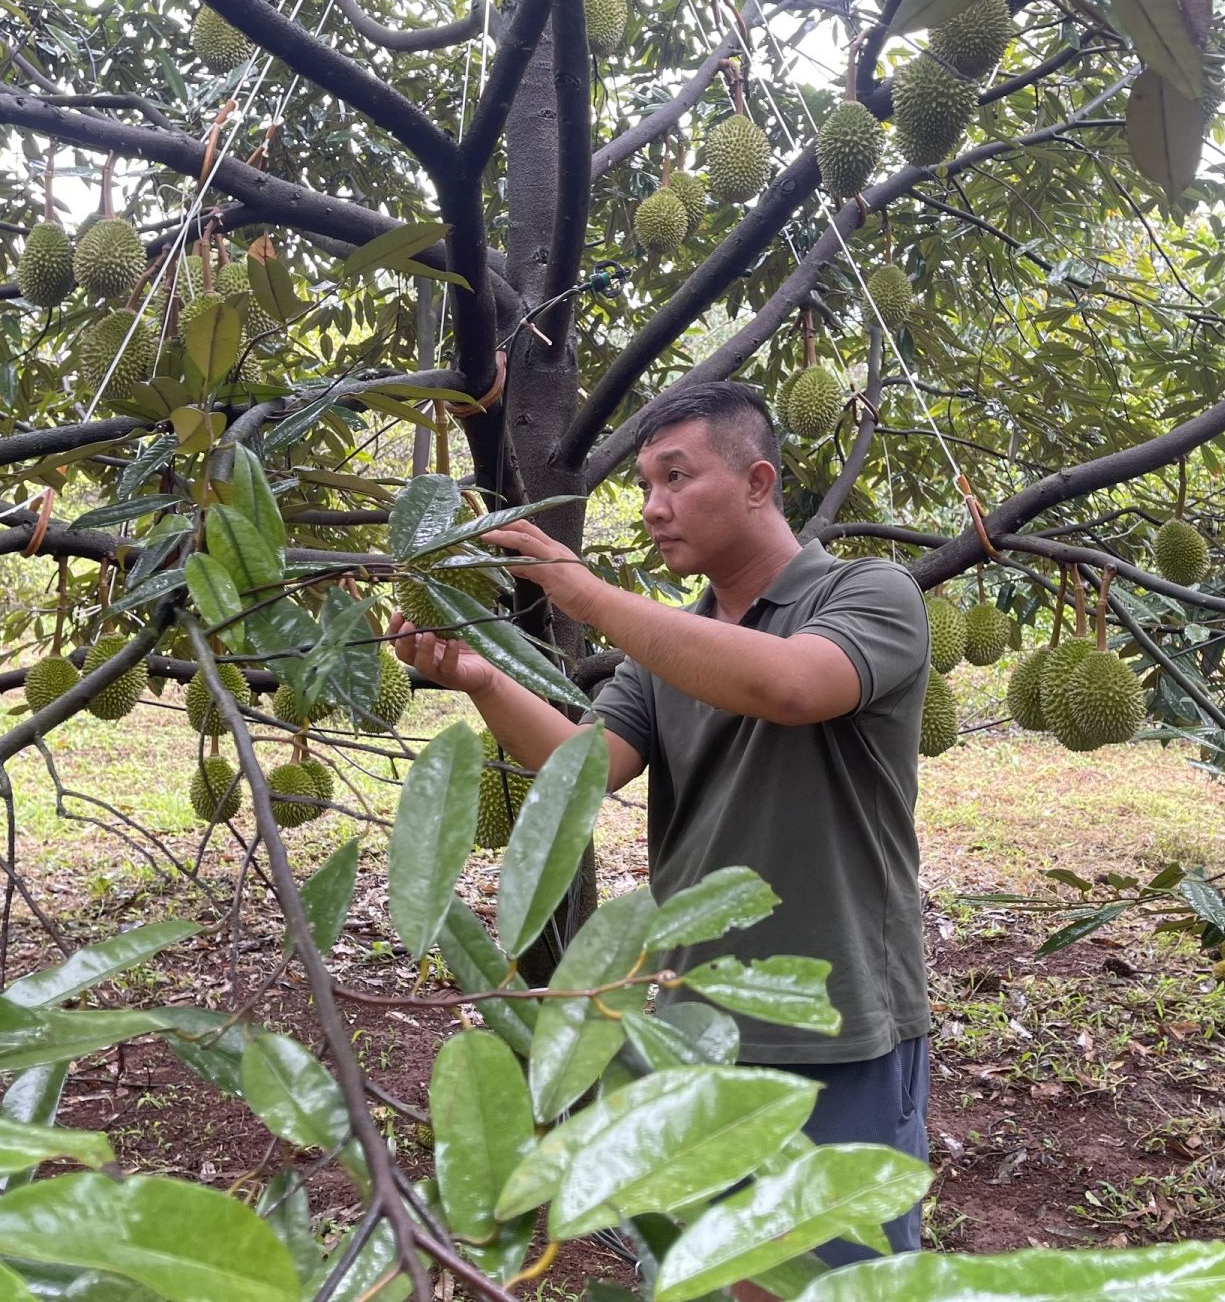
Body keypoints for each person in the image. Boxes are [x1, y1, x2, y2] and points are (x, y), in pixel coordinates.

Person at [391, 380, 931, 1262]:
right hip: (692, 1017)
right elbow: (586, 767)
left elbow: (792, 685)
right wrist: (480, 680)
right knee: (704, 1271)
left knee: (830, 1276)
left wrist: (589, 596)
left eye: (676, 478)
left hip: (837, 1017)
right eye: (644, 484)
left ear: (757, 483)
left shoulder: (870, 592)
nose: (652, 508)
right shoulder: (664, 651)